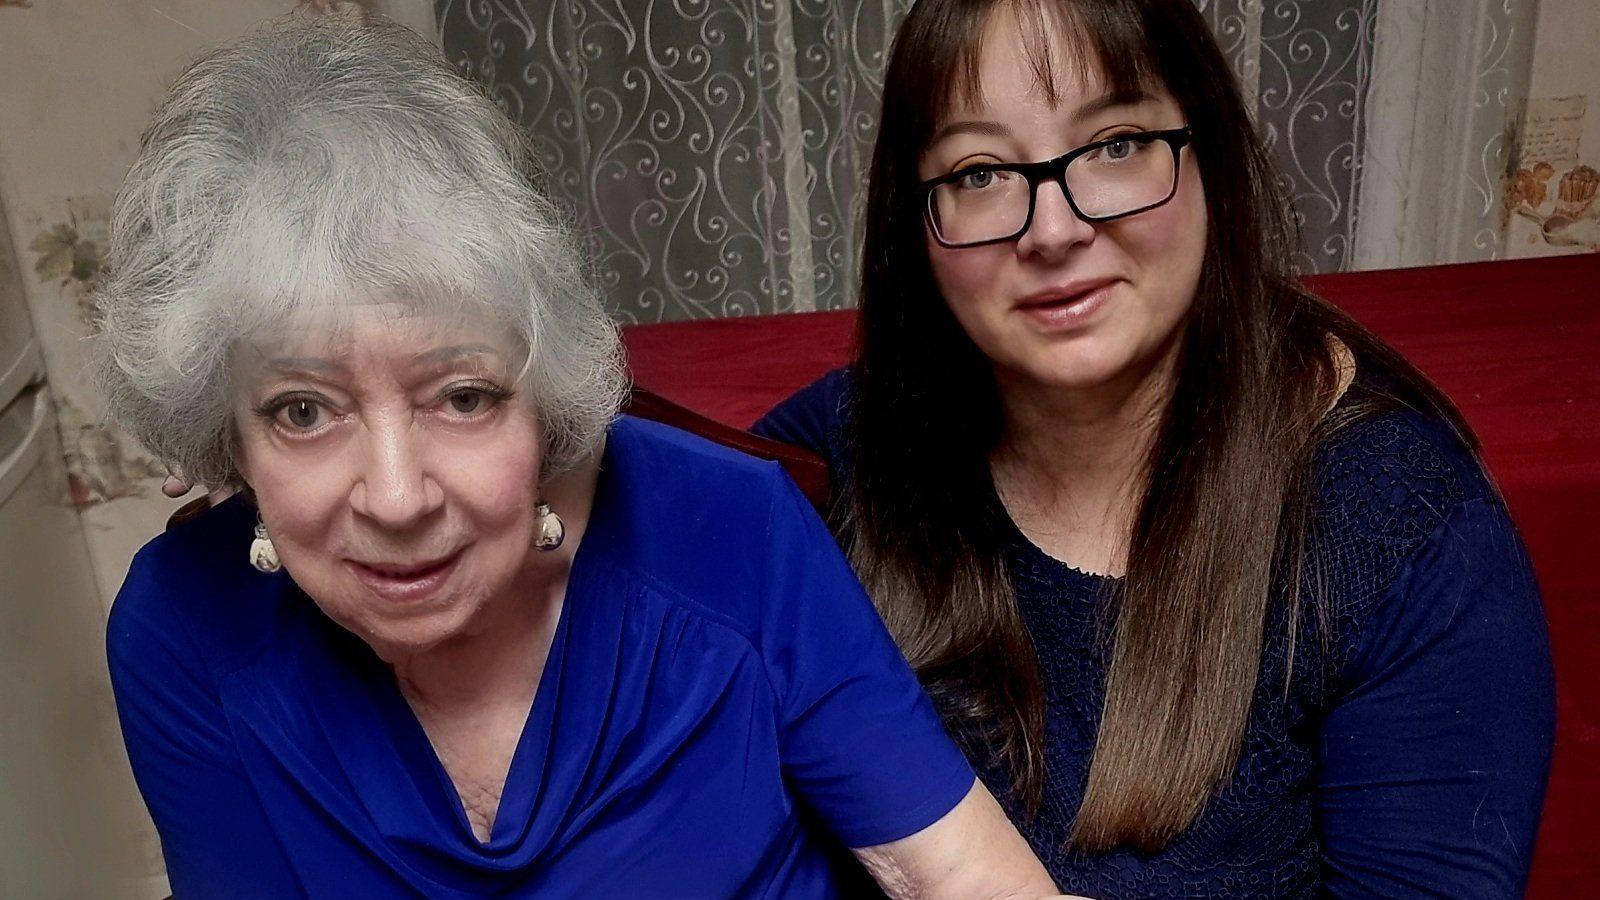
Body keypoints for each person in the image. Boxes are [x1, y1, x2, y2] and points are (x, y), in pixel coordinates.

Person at [97, 14, 1069, 899]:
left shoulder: (730, 530)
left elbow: (962, 879)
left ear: (544, 387)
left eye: (463, 396)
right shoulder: (182, 627)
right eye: (303, 411)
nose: (395, 498)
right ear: (226, 430)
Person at [753, 0, 1555, 896]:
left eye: (1115, 146)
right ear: (918, 223)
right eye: (980, 172)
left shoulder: (1403, 527)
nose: (1051, 230)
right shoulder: (846, 448)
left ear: (1208, 152)